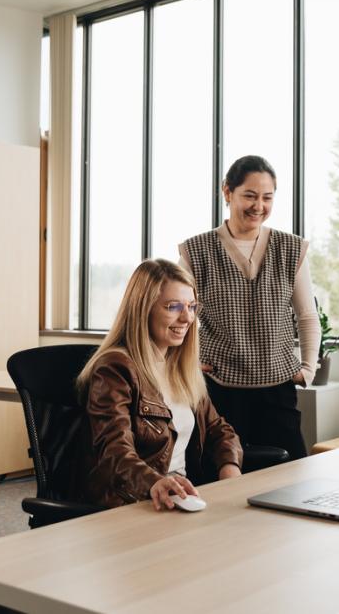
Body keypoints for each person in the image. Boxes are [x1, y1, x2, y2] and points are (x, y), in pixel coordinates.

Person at [179, 155, 320, 460]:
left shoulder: (291, 248)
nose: (259, 206)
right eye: (250, 196)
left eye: (267, 198)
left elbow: (307, 315)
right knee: (221, 474)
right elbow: (176, 312)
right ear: (227, 192)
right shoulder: (196, 250)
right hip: (219, 388)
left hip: (277, 388)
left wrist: (308, 368)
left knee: (292, 474)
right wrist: (184, 361)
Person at [73, 259, 242, 511]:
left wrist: (230, 469)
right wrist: (157, 483)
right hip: (133, 502)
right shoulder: (115, 369)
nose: (187, 318)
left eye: (192, 306)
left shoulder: (181, 369)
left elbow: (220, 430)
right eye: (173, 306)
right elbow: (115, 452)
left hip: (179, 498)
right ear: (144, 309)